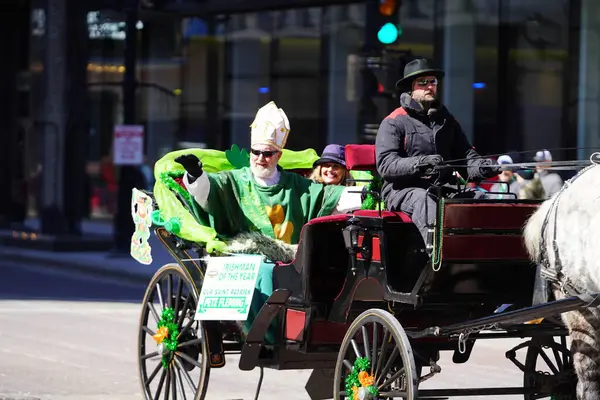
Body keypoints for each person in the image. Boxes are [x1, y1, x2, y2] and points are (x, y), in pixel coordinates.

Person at [174, 101, 362, 342]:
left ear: (278, 155)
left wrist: (368, 197)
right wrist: (195, 175)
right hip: (241, 253)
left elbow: (328, 196)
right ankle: (266, 336)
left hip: (291, 254)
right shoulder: (233, 180)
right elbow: (209, 192)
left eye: (268, 153)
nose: (261, 158)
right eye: (256, 152)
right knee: (263, 271)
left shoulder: (296, 185)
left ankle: (315, 331)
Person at [375, 58, 501, 244]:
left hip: (443, 187)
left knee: (481, 199)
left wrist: (483, 167)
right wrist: (421, 163)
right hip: (403, 190)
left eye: (433, 82)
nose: (429, 87)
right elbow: (386, 165)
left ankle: (486, 253)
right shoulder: (394, 121)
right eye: (422, 82)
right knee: (423, 201)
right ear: (411, 88)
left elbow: (466, 158)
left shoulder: (447, 121)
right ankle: (441, 257)